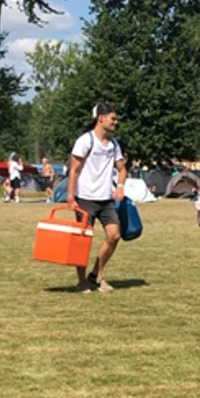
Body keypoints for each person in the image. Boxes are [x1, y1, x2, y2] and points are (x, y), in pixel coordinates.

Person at [66, 104, 127, 293]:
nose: (116, 122)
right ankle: (82, 281)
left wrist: (120, 187)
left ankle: (96, 275)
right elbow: (73, 170)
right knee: (83, 241)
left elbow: (122, 169)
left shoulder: (114, 144)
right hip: (84, 198)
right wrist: (70, 196)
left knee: (114, 235)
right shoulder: (85, 141)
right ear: (100, 118)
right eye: (113, 118)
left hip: (106, 199)